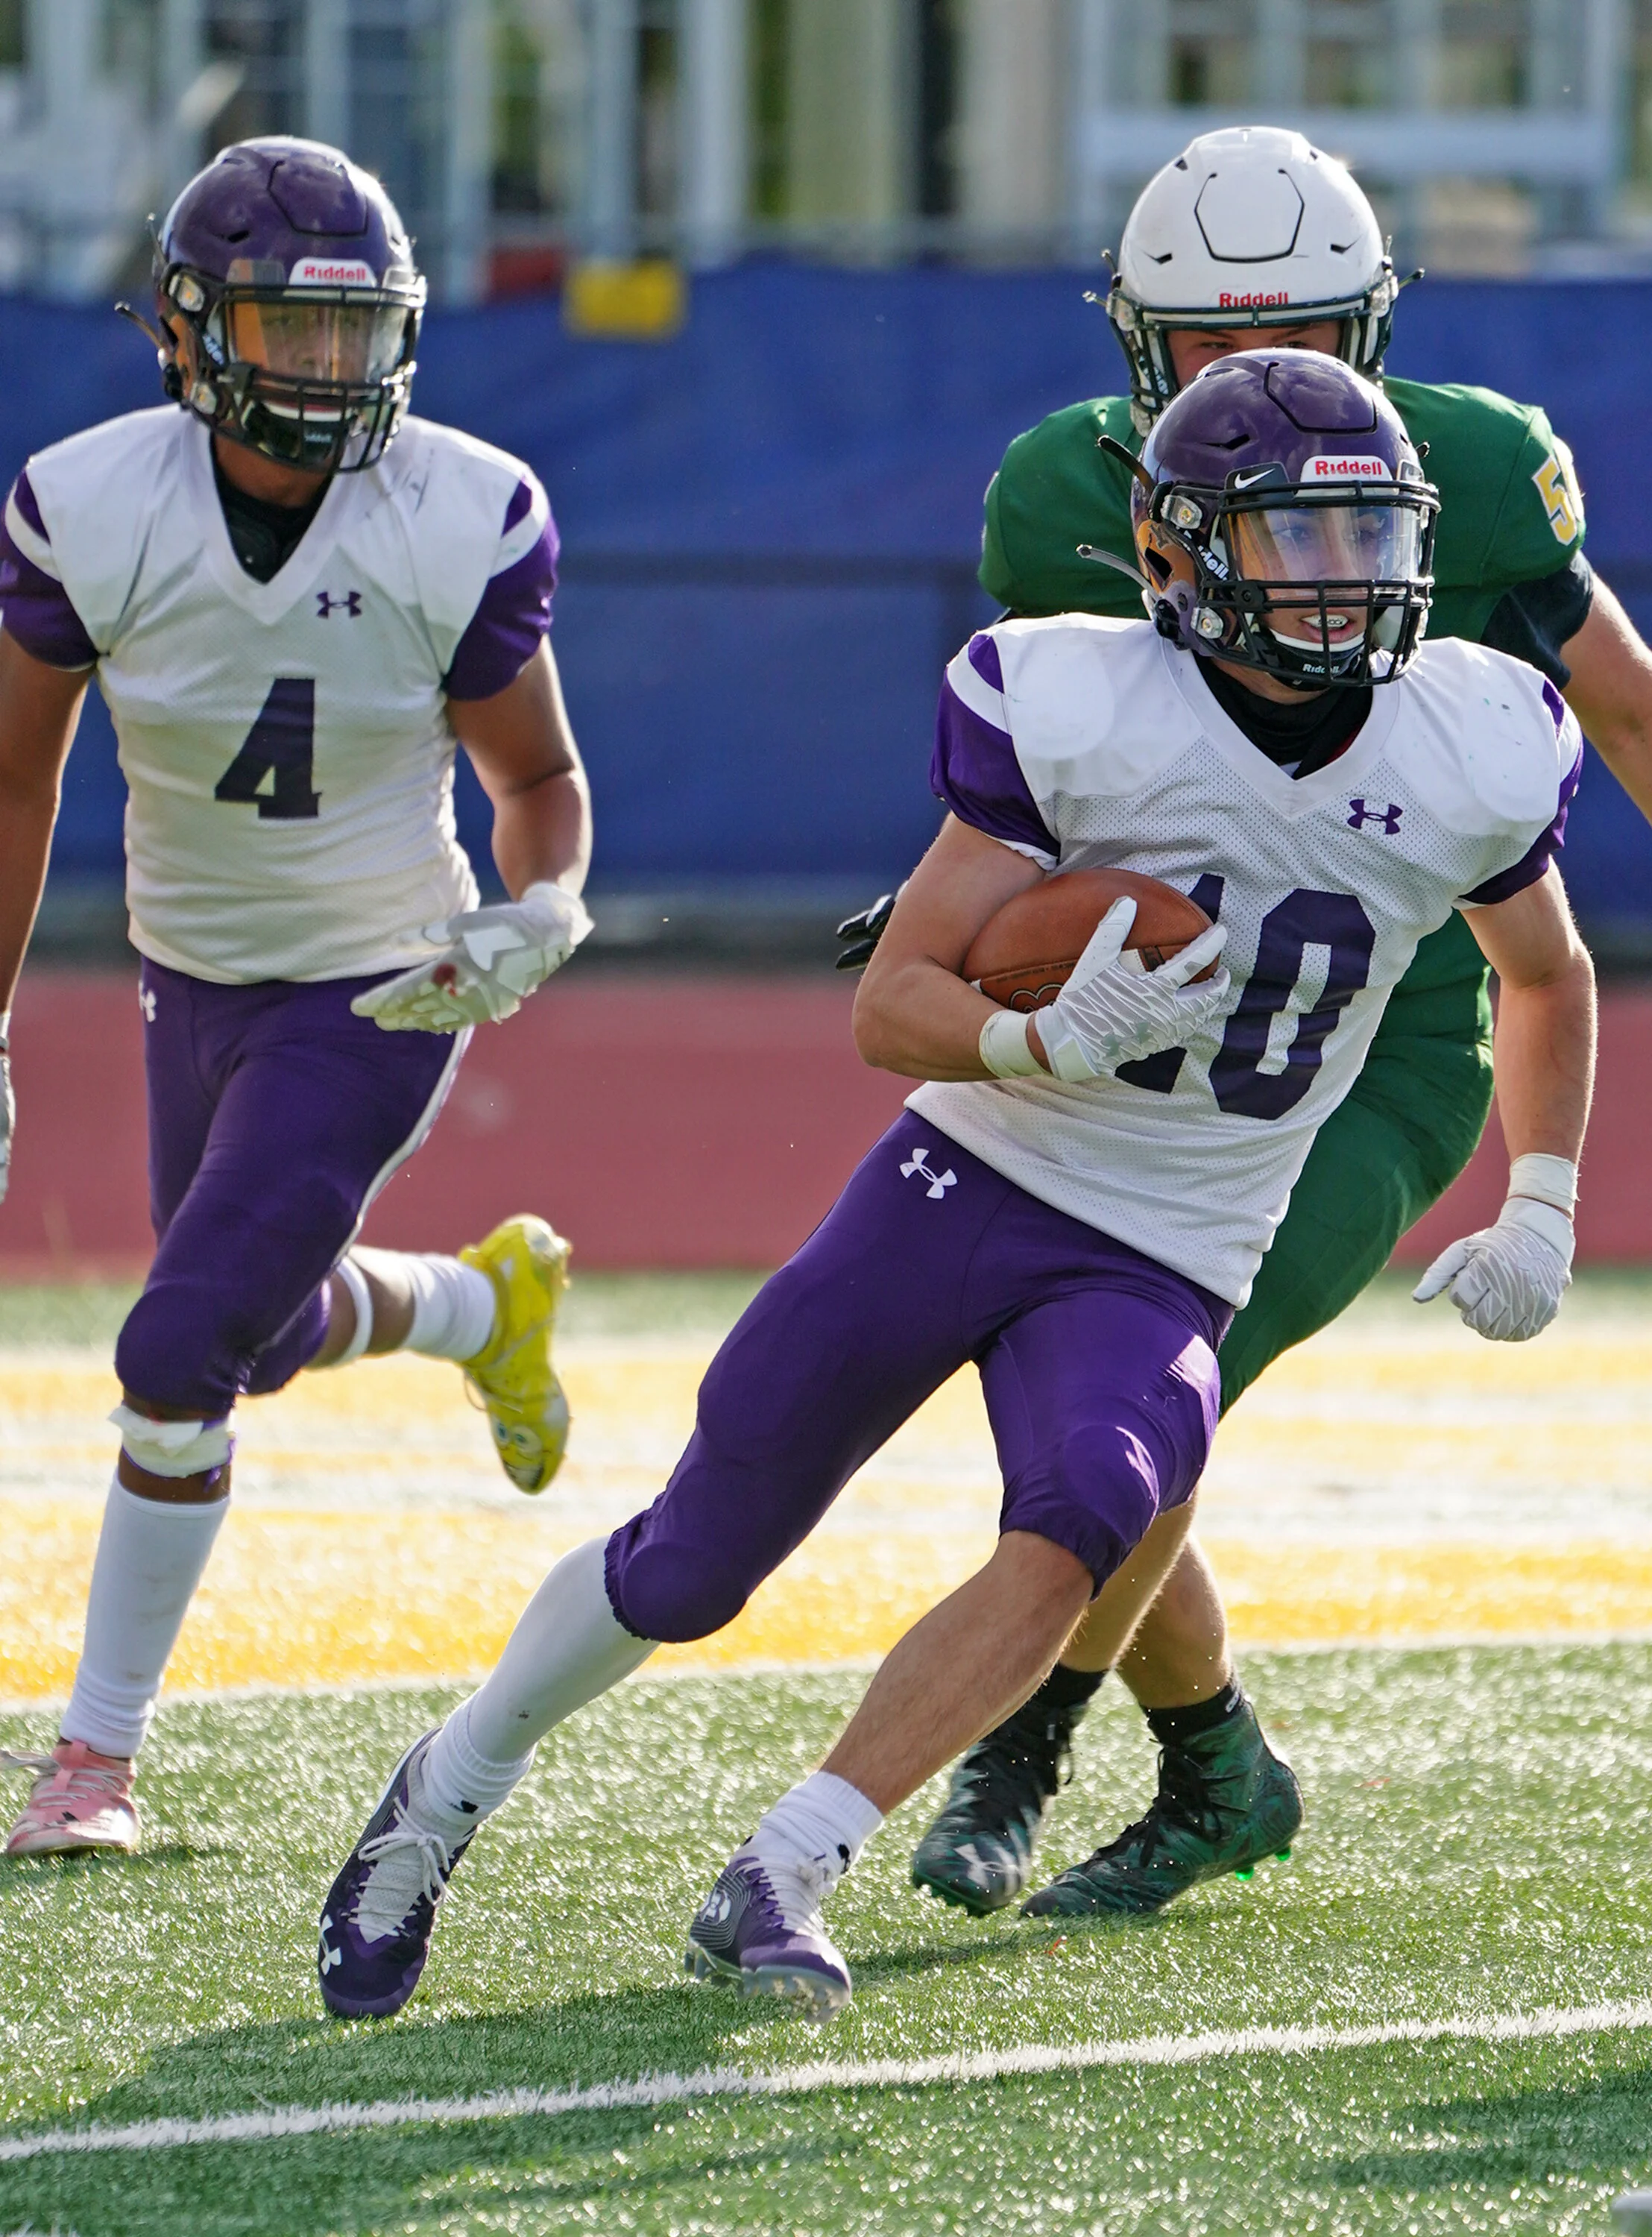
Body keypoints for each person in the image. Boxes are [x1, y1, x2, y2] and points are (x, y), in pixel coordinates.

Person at [314, 350, 1593, 2024]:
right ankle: (444, 1792)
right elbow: (888, 1005)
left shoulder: (1475, 739)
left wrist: (1544, 1195)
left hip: (1183, 1242)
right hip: (971, 1173)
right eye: (1295, 539)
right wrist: (1041, 1039)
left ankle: (788, 1862)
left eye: (1368, 537)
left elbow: (1546, 974)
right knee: (694, 1563)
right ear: (1176, 555)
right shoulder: (1073, 703)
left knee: (1086, 1517)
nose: (1343, 583)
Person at [835, 123, 1652, 1925]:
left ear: (1374, 331)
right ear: (1138, 348)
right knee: (1065, 1404)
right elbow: (1049, 802)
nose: (1242, 381)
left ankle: (1028, 1742)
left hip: (1391, 1021)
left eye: (1280, 337)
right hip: (1158, 1009)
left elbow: (1628, 714)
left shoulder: (1475, 471)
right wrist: (967, 942)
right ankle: (1214, 1762)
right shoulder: (1067, 492)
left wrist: (1538, 1175)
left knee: (1159, 1401)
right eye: (1198, 349)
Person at [0, 137, 592, 1860]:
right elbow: (15, 786)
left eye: (355, 337)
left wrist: (545, 905)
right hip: (190, 969)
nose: (330, 376)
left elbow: (537, 773)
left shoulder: (458, 508)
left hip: (383, 979)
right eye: (289, 333)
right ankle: (480, 1313)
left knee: (175, 1350)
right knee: (241, 1341)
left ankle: (92, 1762)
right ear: (187, 338)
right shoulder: (90, 505)